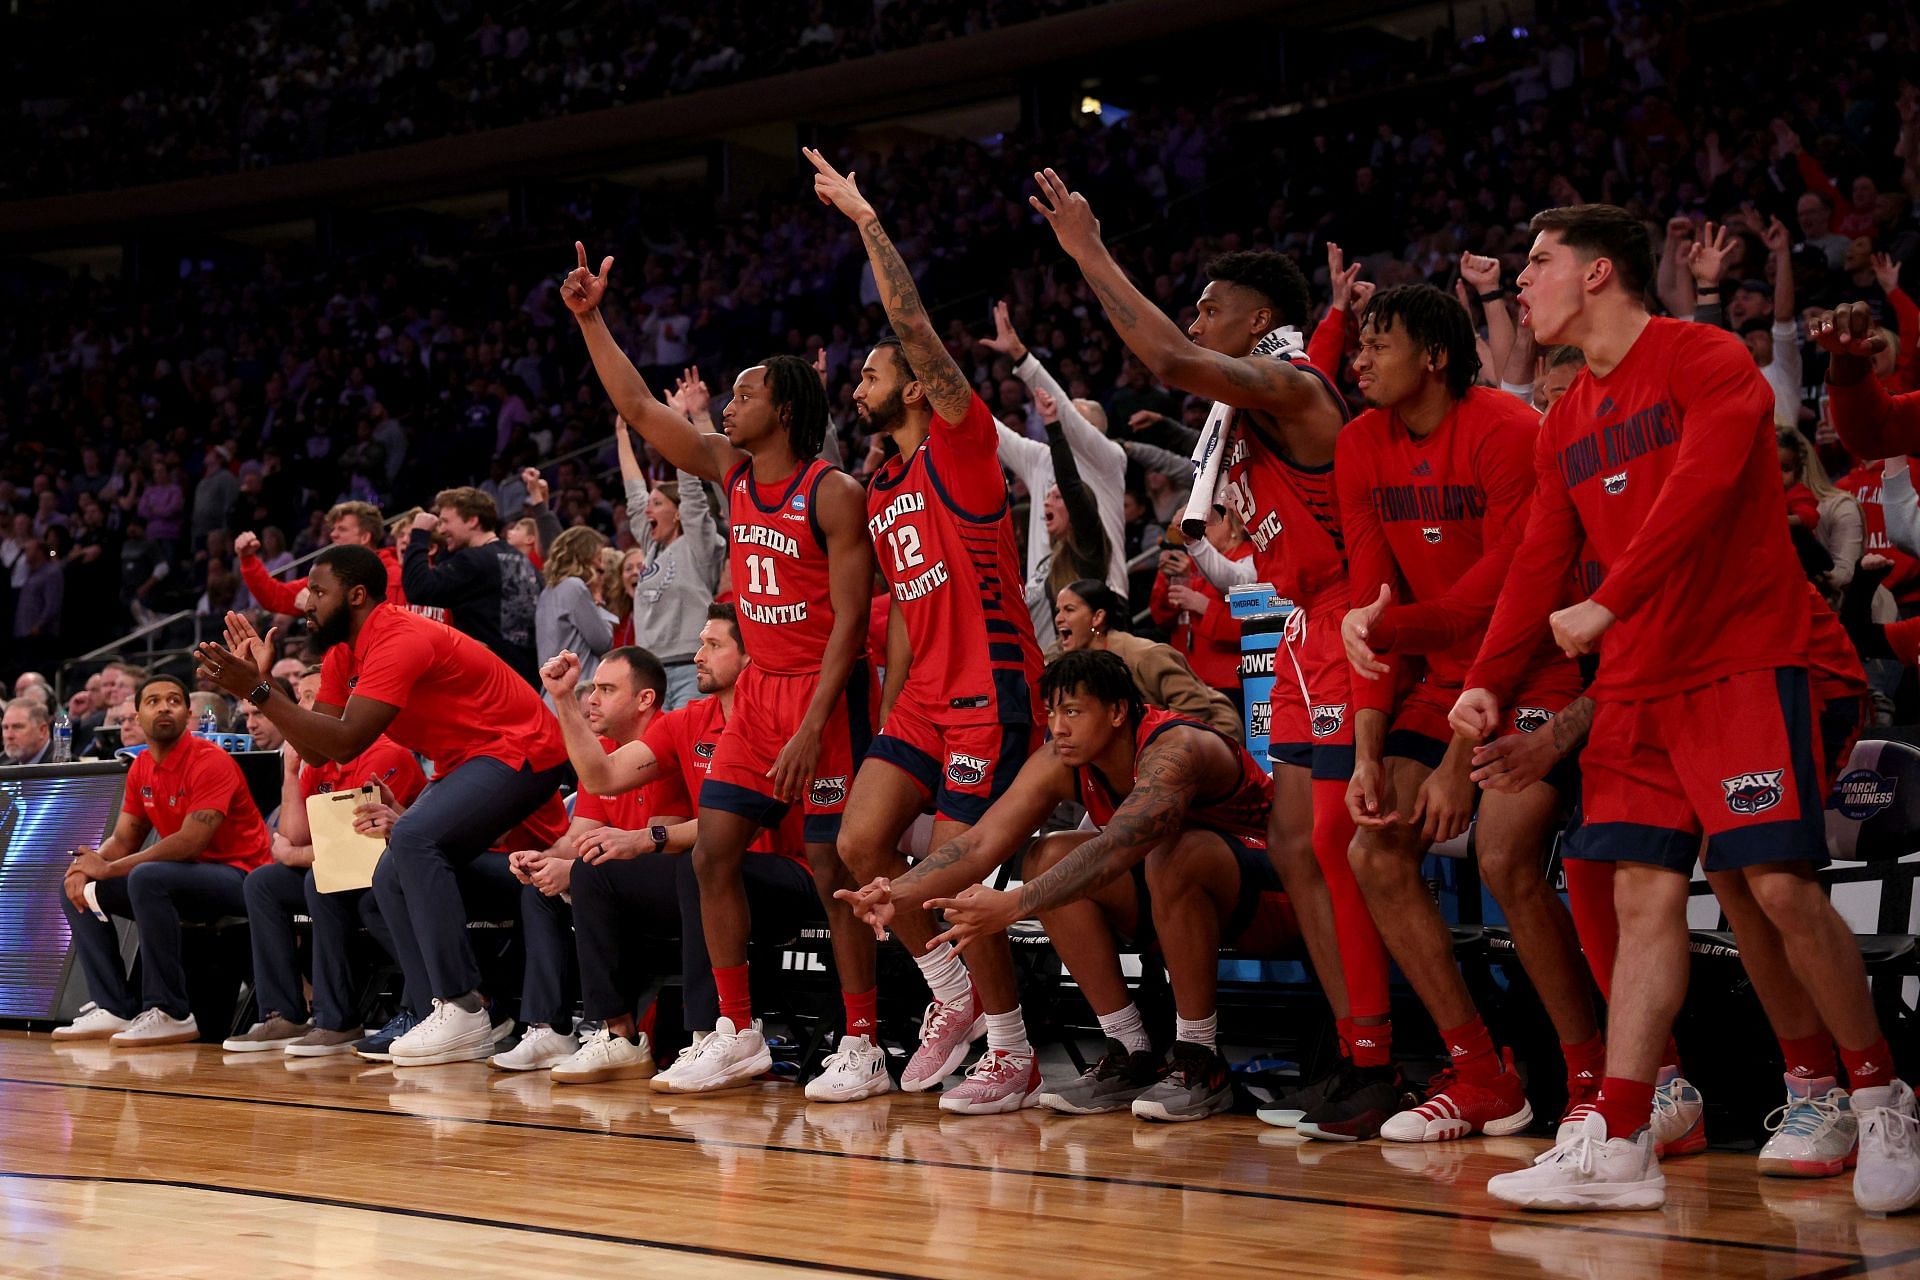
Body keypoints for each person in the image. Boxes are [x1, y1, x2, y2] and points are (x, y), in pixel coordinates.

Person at [1450, 204, 1918, 1215]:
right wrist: (1488, 673)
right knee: (1637, 894)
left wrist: (1609, 598)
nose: (1520, 283)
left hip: (1741, 661)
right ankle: (1622, 1134)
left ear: (1601, 273)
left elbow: (1701, 490)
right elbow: (1538, 556)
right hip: (1634, 683)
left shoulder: (1705, 360)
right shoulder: (1567, 419)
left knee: (1775, 887)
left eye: (1537, 263)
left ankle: (1878, 1091)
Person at [1029, 167, 1390, 1125]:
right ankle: (1352, 1048)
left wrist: (1087, 250)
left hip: (1360, 630)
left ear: (1258, 316)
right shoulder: (1260, 405)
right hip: (1309, 633)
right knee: (1302, 849)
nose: (1195, 315)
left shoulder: (1291, 388)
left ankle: (1391, 1049)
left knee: (1343, 855)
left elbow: (1174, 361)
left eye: (1211, 304)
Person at [562, 239, 877, 1096]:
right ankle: (734, 1031)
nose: (726, 406)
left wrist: (815, 724)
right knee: (713, 857)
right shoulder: (728, 470)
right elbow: (634, 403)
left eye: (744, 393)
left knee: (831, 868)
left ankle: (863, 1041)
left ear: (786, 408)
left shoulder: (832, 491)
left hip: (827, 698)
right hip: (759, 700)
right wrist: (592, 319)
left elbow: (853, 620)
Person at [809, 148, 1050, 1111]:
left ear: (916, 386)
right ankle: (949, 995)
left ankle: (1013, 1048)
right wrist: (895, 703)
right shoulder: (882, 485)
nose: (859, 383)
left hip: (992, 691)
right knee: (855, 845)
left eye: (871, 372)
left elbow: (911, 324)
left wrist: (868, 223)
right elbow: (905, 608)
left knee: (952, 878)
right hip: (923, 694)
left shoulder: (960, 441)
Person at [1332, 283, 1595, 1143]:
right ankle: (1483, 1073)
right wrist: (1368, 747)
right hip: (1443, 677)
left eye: (1379, 344)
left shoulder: (1510, 432)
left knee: (1504, 853)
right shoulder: (1360, 444)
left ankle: (1592, 1076)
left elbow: (1503, 604)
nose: (1359, 360)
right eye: (1358, 346)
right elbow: (1376, 604)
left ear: (1435, 357)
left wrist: (1454, 756)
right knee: (1374, 849)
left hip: (1538, 667)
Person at [848, 650, 1295, 1122]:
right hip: (1173, 901)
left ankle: (1200, 1060)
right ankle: (1131, 1050)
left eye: (1073, 712)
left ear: (1118, 711)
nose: (1058, 727)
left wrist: (1014, 903)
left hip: (1272, 895)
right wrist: (897, 892)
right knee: (1049, 854)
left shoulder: (1177, 747)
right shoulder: (1062, 758)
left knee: (1174, 852)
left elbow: (1118, 847)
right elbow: (980, 843)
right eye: (1053, 712)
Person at [194, 544, 571, 1067]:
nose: (305, 602)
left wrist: (259, 691)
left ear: (356, 595)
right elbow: (316, 751)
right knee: (390, 868)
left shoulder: (399, 637)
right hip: (466, 760)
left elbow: (347, 741)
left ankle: (463, 1006)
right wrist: (269, 685)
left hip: (524, 746)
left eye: (319, 592)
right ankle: (438, 1010)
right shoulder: (341, 655)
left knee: (413, 836)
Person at [542, 609, 816, 1088]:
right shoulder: (690, 720)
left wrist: (647, 838)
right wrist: (565, 699)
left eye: (713, 645)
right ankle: (619, 1036)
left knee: (704, 864)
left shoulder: (779, 719)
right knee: (593, 871)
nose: (697, 655)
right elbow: (601, 775)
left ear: (751, 657)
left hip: (789, 875)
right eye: (699, 643)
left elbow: (738, 829)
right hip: (716, 873)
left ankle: (713, 1033)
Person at [52, 674, 272, 1045]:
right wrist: (88, 864)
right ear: (137, 716)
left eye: (173, 700)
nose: (164, 707)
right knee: (75, 885)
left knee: (146, 877)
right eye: (153, 701)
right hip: (184, 878)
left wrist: (109, 867)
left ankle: (171, 1011)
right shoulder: (141, 768)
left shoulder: (210, 760)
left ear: (188, 713)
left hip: (240, 876)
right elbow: (124, 838)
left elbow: (189, 842)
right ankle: (114, 1007)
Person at [224, 667, 428, 1054]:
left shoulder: (385, 752)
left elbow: (362, 846)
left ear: (346, 703)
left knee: (319, 878)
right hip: (338, 871)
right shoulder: (316, 759)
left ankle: (337, 1020)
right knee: (263, 883)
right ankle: (283, 1013)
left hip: (386, 874)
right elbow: (296, 833)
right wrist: (288, 771)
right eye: (299, 696)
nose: (300, 706)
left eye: (309, 695)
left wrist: (294, 854)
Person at [493, 644, 672, 1072]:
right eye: (593, 690)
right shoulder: (603, 751)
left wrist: (571, 869)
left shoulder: (670, 740)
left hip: (671, 885)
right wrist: (543, 861)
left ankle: (618, 1032)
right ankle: (550, 1029)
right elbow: (579, 835)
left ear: (644, 699)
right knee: (540, 888)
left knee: (584, 877)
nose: (592, 699)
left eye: (606, 690)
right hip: (614, 883)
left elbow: (666, 847)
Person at [979, 300, 1131, 600]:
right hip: (1044, 601)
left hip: (1101, 596)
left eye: (1078, 421)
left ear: (1097, 432)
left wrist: (1022, 358)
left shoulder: (1109, 460)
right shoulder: (1039, 459)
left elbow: (1064, 414)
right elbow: (985, 427)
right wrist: (939, 381)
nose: (1069, 424)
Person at [616, 393, 724, 709]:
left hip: (692, 668)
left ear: (677, 512)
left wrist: (678, 424)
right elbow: (634, 498)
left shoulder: (698, 545)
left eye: (657, 504)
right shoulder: (650, 549)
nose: (647, 510)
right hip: (650, 674)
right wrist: (622, 436)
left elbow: (691, 492)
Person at [1053, 579, 1240, 737]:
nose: (1058, 618)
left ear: (1097, 617)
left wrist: (1151, 744)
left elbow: (1195, 706)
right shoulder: (1064, 658)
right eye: (1058, 611)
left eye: (1069, 610)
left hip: (1212, 733)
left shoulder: (1144, 654)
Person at [400, 486, 542, 685]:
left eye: (446, 521)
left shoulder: (474, 561)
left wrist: (420, 534)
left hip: (491, 680)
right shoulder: (519, 558)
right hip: (526, 676)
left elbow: (418, 589)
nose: (441, 530)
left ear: (472, 520)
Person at [1150, 509, 1252, 716]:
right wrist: (1167, 579)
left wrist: (1205, 607)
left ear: (1236, 527)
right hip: (1189, 680)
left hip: (1228, 682)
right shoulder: (1196, 560)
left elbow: (1249, 628)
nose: (1204, 527)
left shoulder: (1249, 558)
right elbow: (1161, 618)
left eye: (1212, 521)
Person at [237, 502, 402, 615]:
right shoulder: (329, 575)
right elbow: (275, 597)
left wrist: (317, 610)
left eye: (342, 529)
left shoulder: (393, 573)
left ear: (365, 537)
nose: (333, 534)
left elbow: (383, 625)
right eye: (333, 529)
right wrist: (248, 559)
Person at [1778, 427, 1863, 602]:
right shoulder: (1757, 500)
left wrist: (1781, 521)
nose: (1777, 475)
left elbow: (1809, 517)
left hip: (1815, 573)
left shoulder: (1800, 495)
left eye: (1784, 469)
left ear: (1798, 471)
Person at [534, 525, 614, 693]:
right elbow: (603, 643)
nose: (601, 566)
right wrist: (598, 599)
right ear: (586, 556)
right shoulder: (575, 587)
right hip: (578, 690)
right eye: (598, 558)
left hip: (552, 692)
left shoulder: (547, 591)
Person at [2, 697, 51, 765]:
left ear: (42, 731)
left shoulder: (64, 767)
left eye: (17, 727)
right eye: (5, 727)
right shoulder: (3, 764)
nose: (9, 735)